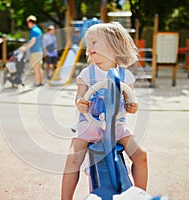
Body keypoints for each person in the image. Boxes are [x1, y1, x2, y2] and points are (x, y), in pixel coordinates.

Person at [61, 22, 148, 200]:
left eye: (94, 42)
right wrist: (81, 103)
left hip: (116, 127)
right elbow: (78, 98)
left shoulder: (125, 75)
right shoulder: (87, 74)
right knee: (72, 160)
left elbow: (131, 100)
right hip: (89, 126)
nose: (89, 47)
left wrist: (133, 106)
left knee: (141, 156)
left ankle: (139, 195)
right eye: (88, 43)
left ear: (112, 45)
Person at [20, 15, 44, 87]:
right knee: (39, 68)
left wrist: (25, 48)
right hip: (39, 51)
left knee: (35, 68)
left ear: (30, 22)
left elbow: (33, 40)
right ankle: (41, 82)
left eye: (28, 23)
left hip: (34, 52)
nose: (28, 25)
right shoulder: (39, 29)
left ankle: (37, 83)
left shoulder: (33, 30)